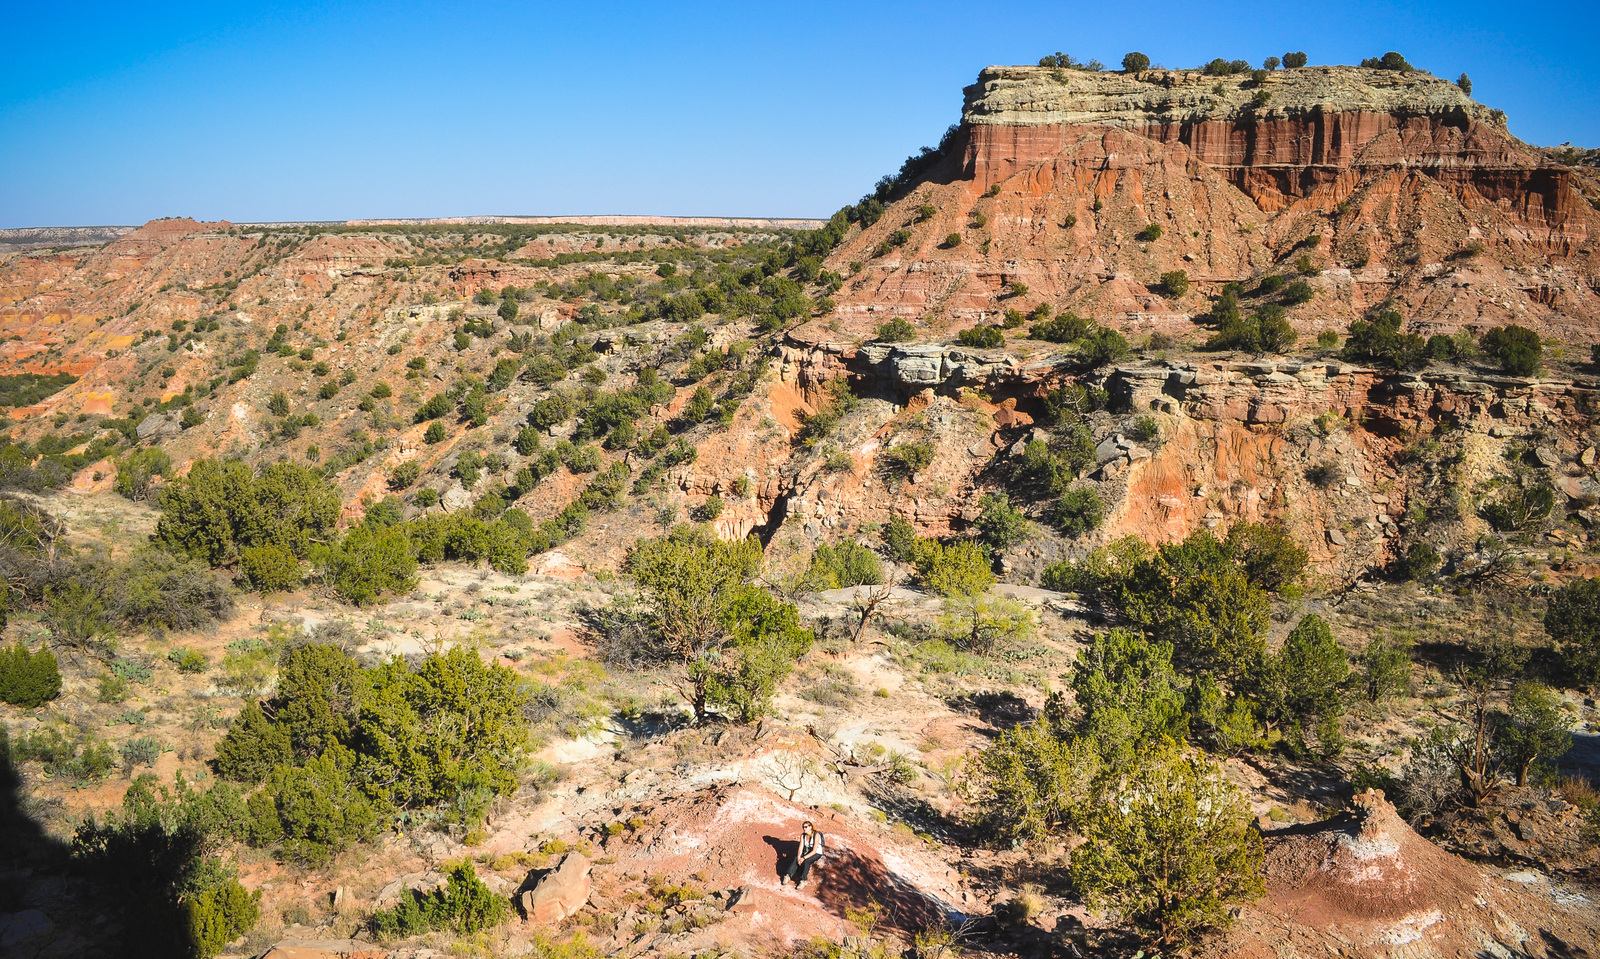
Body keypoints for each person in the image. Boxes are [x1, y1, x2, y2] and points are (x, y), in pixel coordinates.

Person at [781, 820, 825, 889]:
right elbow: (800, 848)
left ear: (810, 827)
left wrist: (803, 858)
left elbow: (814, 851)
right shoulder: (803, 836)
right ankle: (788, 876)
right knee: (796, 858)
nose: (804, 828)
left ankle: (803, 880)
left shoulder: (816, 835)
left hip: (817, 853)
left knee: (807, 861)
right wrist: (799, 857)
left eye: (806, 827)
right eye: (803, 827)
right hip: (808, 852)